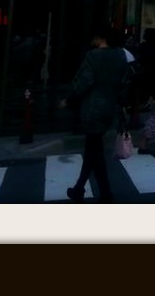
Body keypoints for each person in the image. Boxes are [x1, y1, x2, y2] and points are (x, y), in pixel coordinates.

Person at [61, 26, 131, 203]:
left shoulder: (93, 56)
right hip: (110, 107)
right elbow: (125, 82)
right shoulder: (120, 55)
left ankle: (96, 192)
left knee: (93, 149)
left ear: (101, 38)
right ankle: (86, 189)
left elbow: (83, 81)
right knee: (94, 149)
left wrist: (69, 99)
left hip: (93, 107)